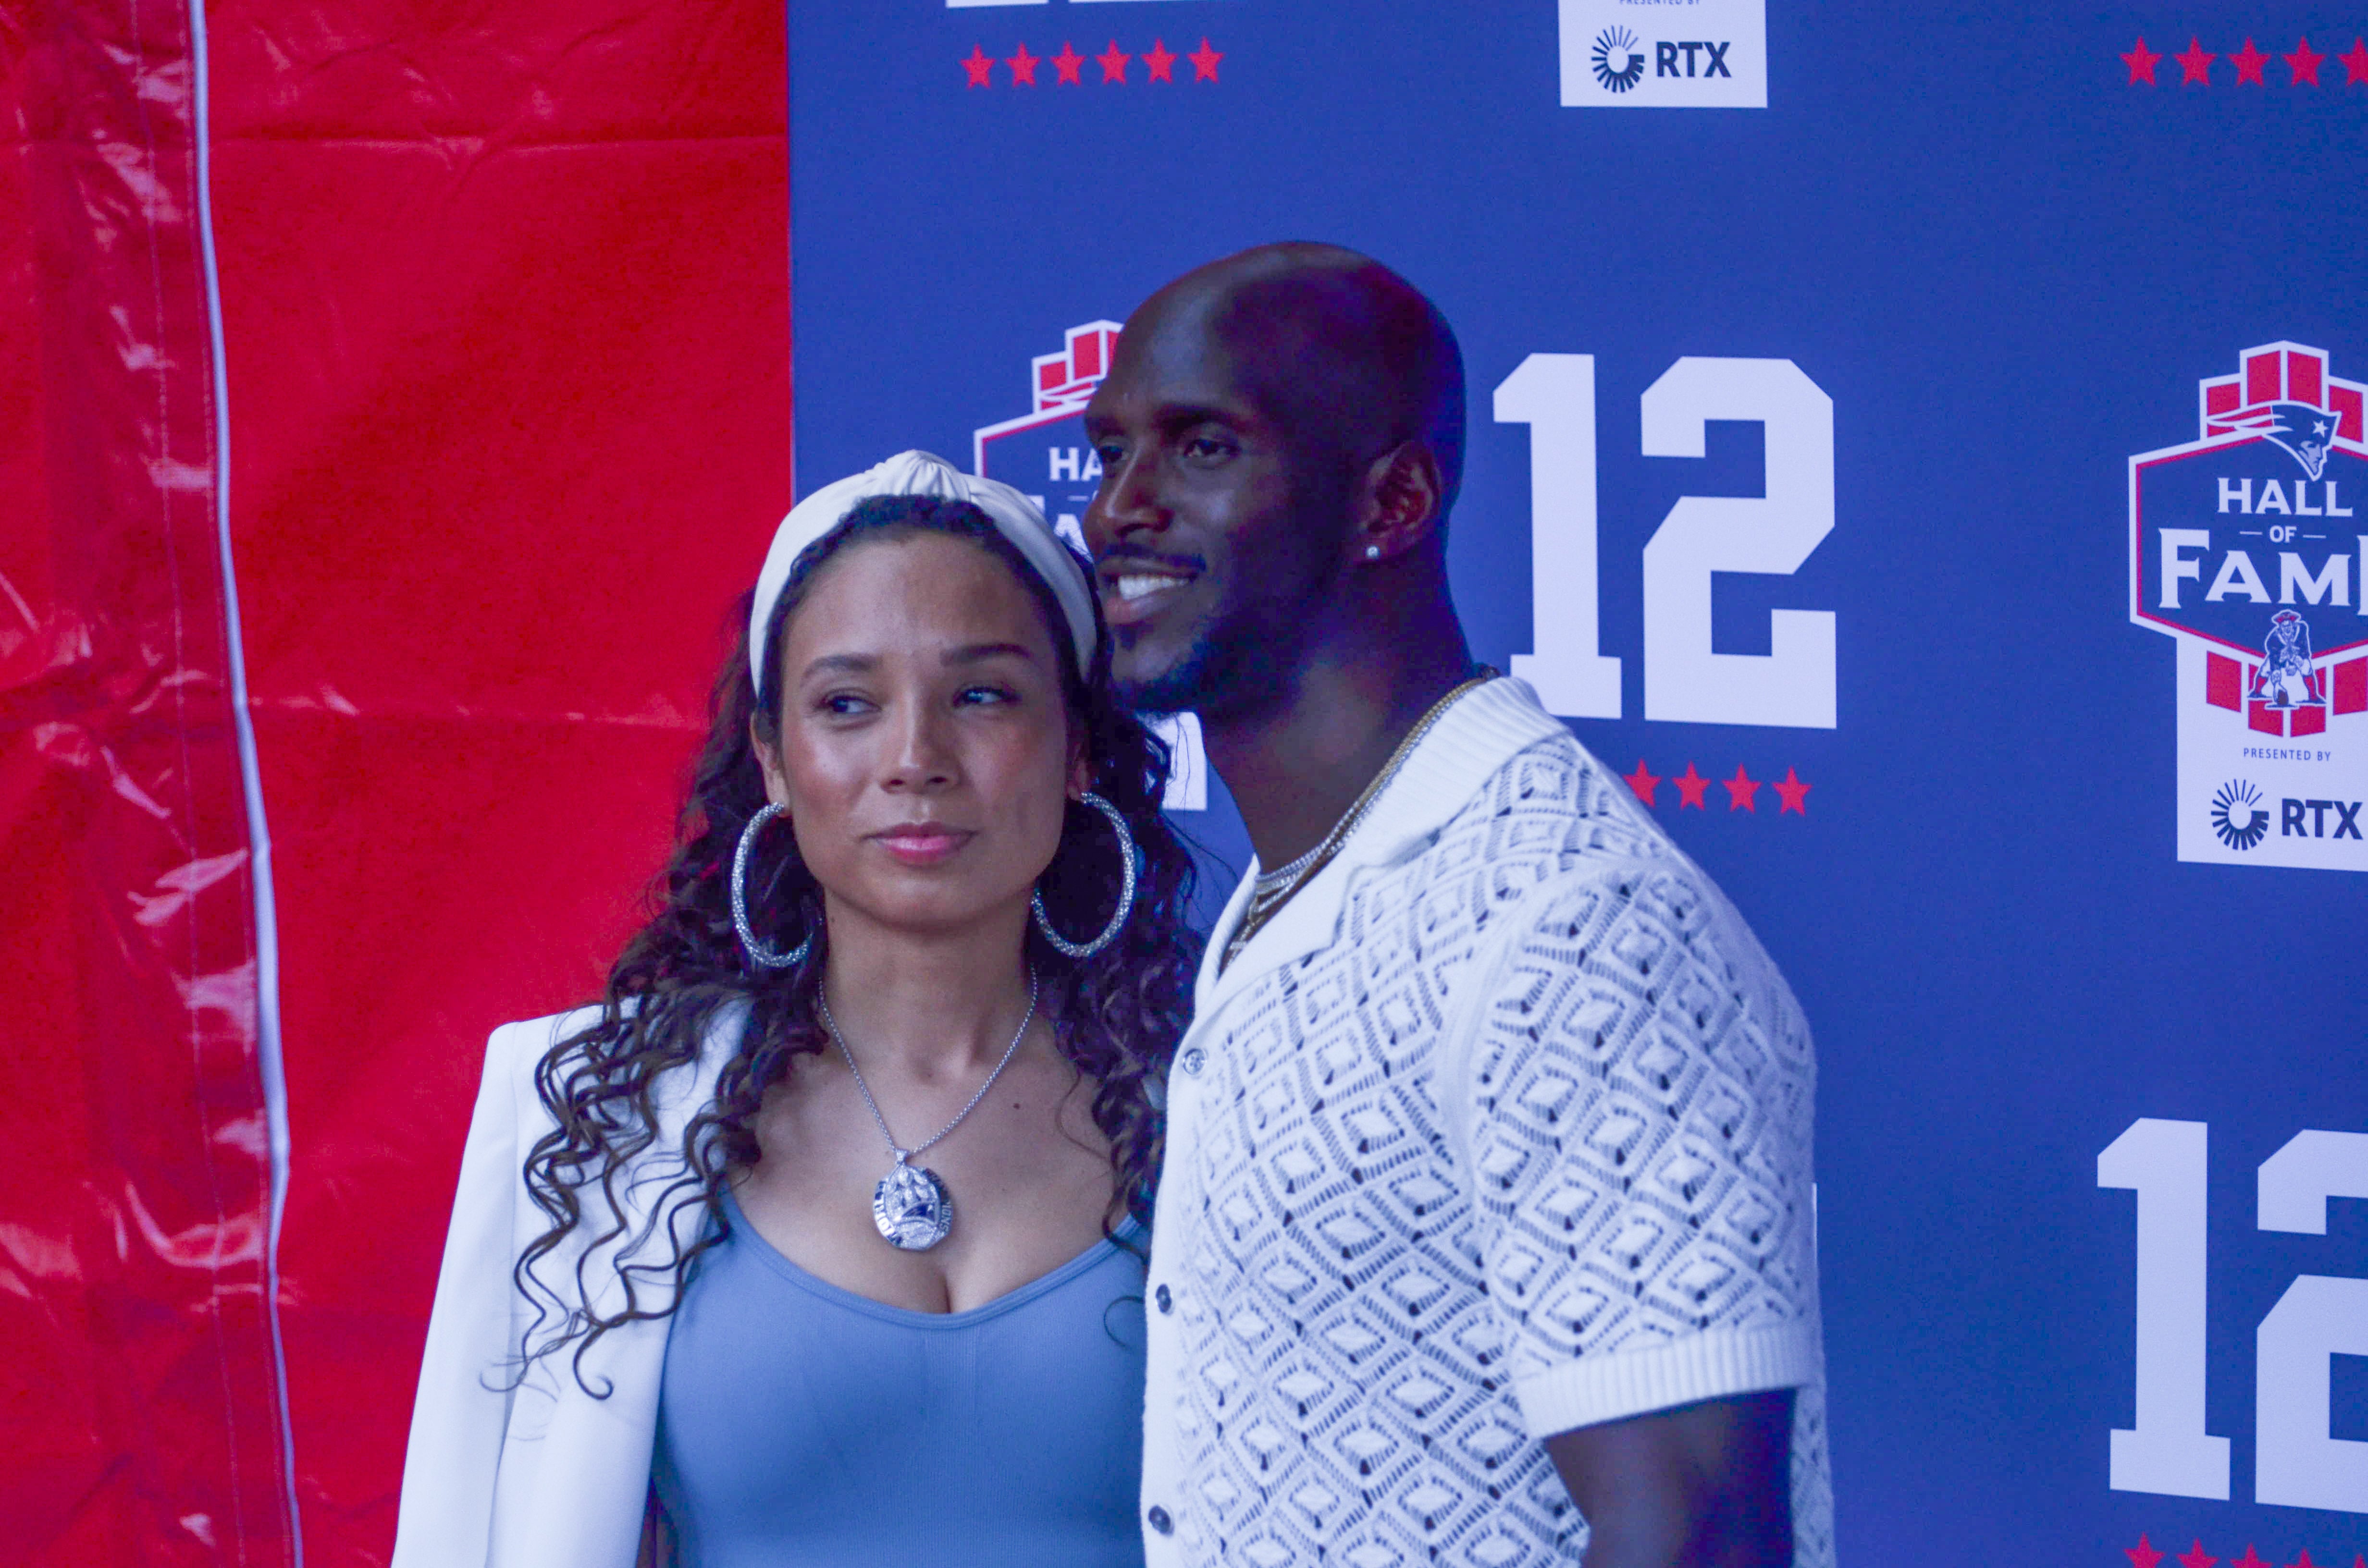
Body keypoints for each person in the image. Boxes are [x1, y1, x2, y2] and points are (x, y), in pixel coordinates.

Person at [1082, 245, 1833, 1568]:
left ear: (1396, 500)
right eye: (1110, 453)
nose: (1120, 509)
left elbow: (1698, 1542)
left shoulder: (1573, 922)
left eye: (1201, 449)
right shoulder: (1308, 881)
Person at [393, 452, 1200, 1568]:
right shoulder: (589, 1117)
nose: (916, 760)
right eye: (848, 705)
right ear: (774, 759)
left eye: (981, 695)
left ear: (1075, 749)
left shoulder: (1220, 1095)